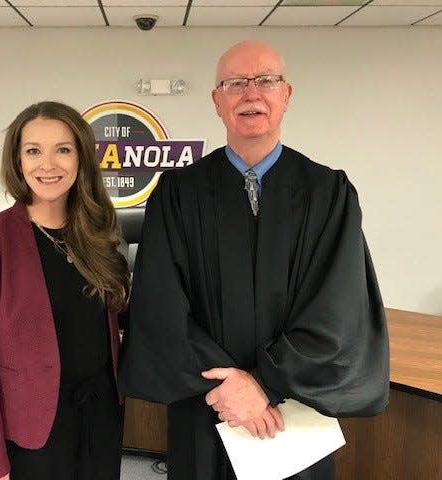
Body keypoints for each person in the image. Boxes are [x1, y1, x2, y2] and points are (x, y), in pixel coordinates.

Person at [118, 39, 389, 480]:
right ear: (217, 101)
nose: (251, 93)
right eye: (235, 83)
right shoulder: (177, 193)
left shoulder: (329, 193)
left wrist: (263, 382)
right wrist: (229, 387)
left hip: (293, 409)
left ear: (286, 95)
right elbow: (160, 305)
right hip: (207, 403)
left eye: (266, 80)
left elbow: (338, 309)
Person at [0, 101, 130, 480]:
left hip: (100, 418)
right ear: (18, 162)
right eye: (33, 151)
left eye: (63, 150)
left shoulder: (99, 234)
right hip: (33, 430)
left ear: (81, 158)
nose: (48, 165)